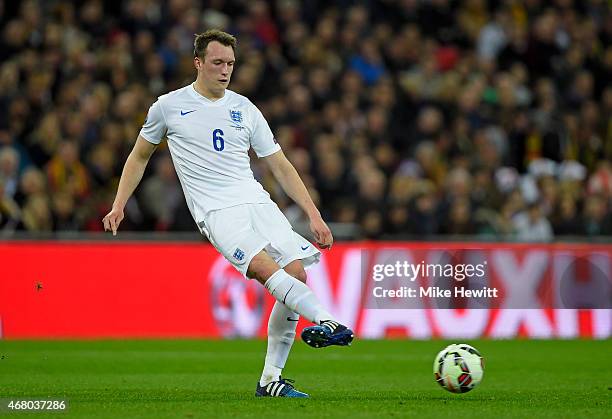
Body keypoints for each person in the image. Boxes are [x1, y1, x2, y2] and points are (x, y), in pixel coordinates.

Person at [102, 29, 353, 398]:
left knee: (297, 273)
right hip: (217, 212)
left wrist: (313, 214)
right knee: (267, 270)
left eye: (231, 64)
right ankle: (328, 321)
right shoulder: (168, 107)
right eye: (217, 62)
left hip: (256, 201)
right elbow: (139, 155)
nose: (225, 70)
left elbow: (280, 164)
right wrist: (119, 203)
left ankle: (270, 381)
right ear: (198, 63)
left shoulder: (244, 108)